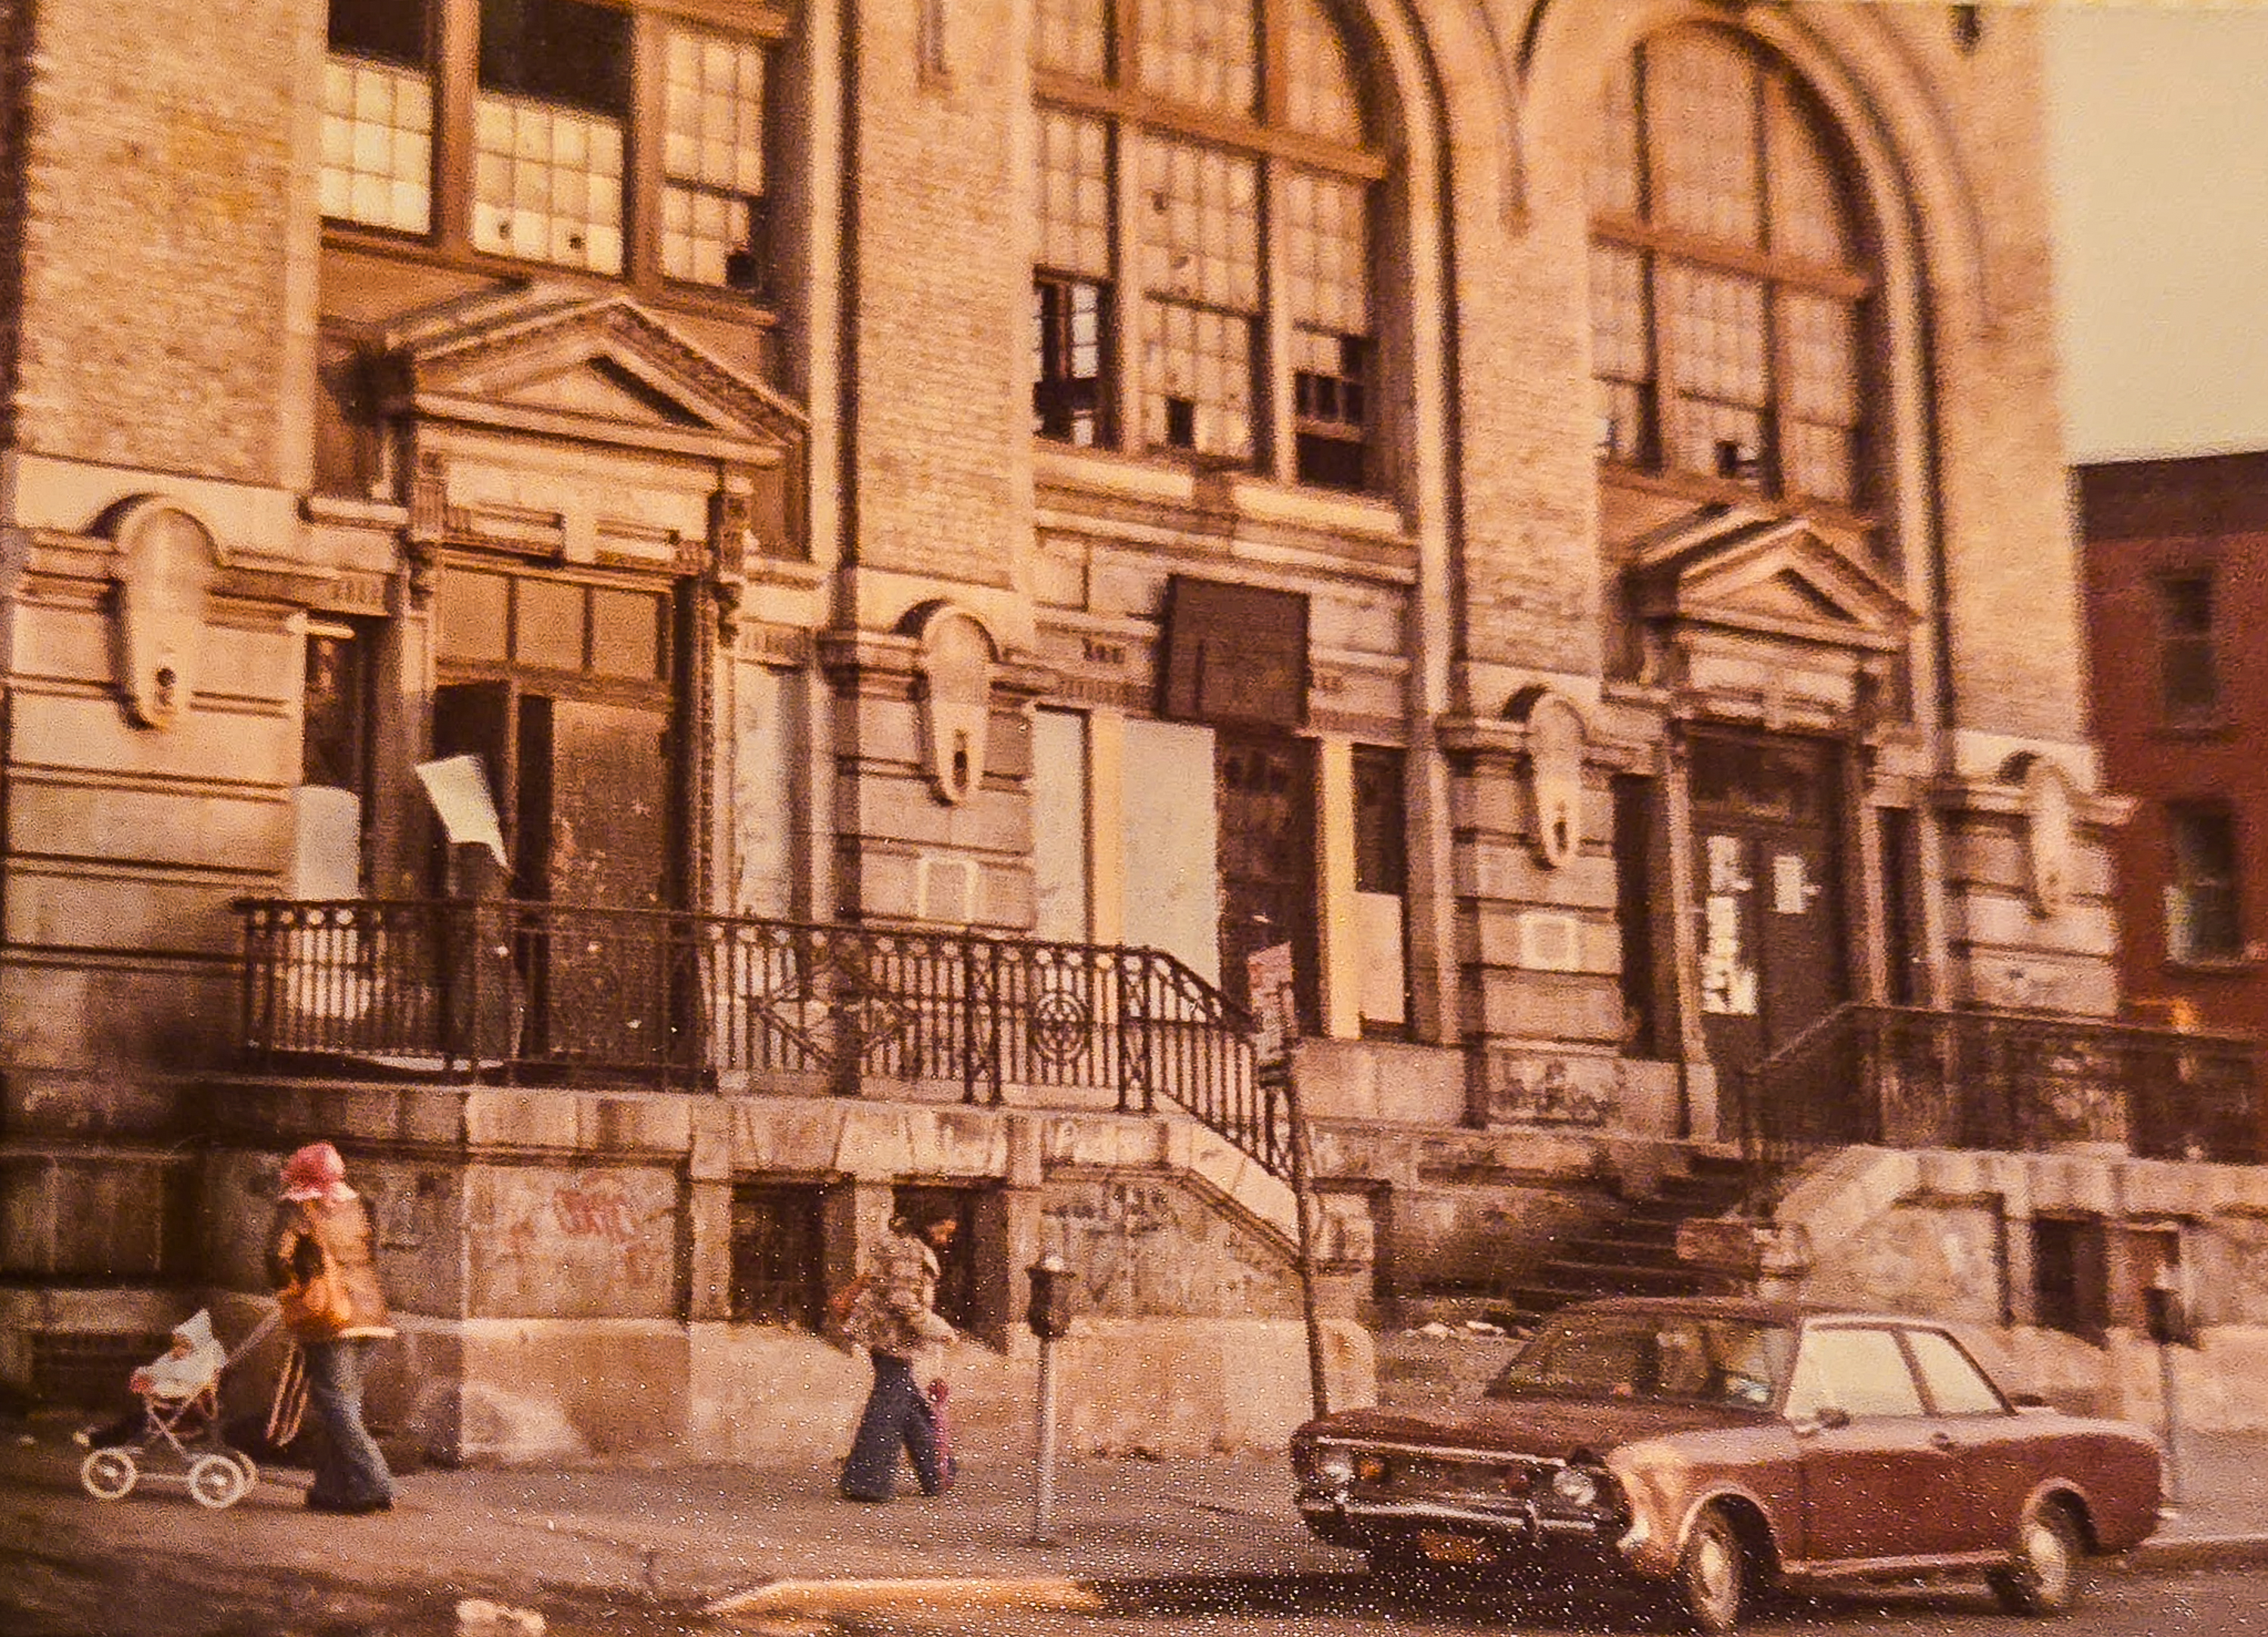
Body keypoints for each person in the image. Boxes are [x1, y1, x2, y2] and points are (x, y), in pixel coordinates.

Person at [267, 1140, 398, 1515]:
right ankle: (332, 1489)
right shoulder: (360, 1203)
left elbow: (277, 1256)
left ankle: (376, 1481)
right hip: (372, 1314)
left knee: (334, 1402)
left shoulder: (297, 1206)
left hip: (328, 1315)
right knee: (343, 1403)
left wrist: (293, 1291)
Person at [838, 1210, 959, 1502]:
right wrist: (940, 1329)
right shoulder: (909, 1250)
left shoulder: (899, 1242)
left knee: (904, 1400)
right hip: (893, 1337)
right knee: (888, 1407)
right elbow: (902, 1300)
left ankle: (936, 1472)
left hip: (884, 1333)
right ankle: (868, 1481)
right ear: (928, 1224)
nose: (945, 1239)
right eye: (943, 1231)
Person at [74, 1310, 229, 1449]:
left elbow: (183, 1388)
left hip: (179, 1414)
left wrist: (155, 1387)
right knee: (135, 1414)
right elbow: (158, 1369)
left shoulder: (197, 1368)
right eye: (176, 1345)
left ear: (196, 1347)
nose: (177, 1350)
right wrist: (145, 1375)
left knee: (137, 1420)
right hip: (169, 1407)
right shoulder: (176, 1360)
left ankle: (98, 1441)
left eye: (184, 1346)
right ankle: (106, 1435)